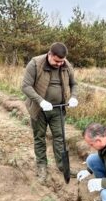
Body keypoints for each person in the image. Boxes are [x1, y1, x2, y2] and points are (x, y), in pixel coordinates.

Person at [22, 42, 78, 182]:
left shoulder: (66, 65)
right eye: (57, 61)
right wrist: (40, 101)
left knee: (59, 138)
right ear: (50, 55)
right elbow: (26, 86)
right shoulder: (35, 64)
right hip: (39, 109)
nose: (60, 64)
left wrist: (74, 97)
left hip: (58, 109)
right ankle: (42, 166)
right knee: (39, 137)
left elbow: (74, 84)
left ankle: (62, 166)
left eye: (62, 61)